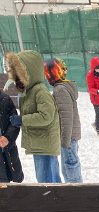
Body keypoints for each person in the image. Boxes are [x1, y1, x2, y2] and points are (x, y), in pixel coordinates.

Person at [5, 50, 61, 183]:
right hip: (39, 143)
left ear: (29, 72)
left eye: (20, 73)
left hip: (45, 145)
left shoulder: (40, 91)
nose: (17, 77)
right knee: (44, 180)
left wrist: (22, 119)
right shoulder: (29, 91)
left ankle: (54, 197)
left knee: (48, 182)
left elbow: (46, 116)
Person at [44, 58, 83, 183]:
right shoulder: (62, 87)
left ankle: (77, 192)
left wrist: (65, 142)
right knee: (68, 168)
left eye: (47, 73)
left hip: (68, 137)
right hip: (69, 136)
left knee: (71, 168)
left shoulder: (60, 90)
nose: (46, 76)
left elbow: (66, 118)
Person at [0, 88, 24, 183]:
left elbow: (14, 123)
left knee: (6, 186)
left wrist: (8, 137)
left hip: (6, 154)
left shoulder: (5, 99)